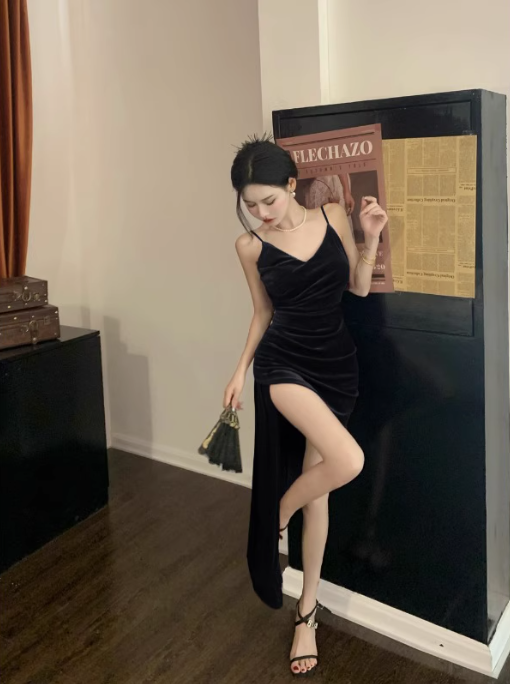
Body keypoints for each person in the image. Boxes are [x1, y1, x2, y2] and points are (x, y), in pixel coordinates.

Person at [223, 135, 388, 677]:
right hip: (283, 365)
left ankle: (307, 614)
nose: (261, 213)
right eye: (250, 205)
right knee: (350, 461)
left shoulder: (333, 214)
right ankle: (277, 515)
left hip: (337, 365)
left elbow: (357, 288)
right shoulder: (250, 246)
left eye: (268, 200)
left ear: (292, 185)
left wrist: (370, 237)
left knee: (321, 496)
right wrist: (240, 370)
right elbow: (261, 313)